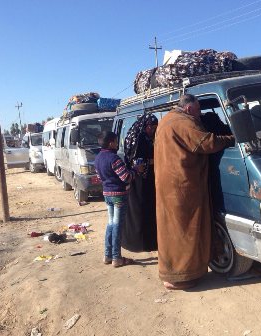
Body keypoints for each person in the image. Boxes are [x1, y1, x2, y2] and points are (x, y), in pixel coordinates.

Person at [154, 94, 235, 290]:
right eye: (198, 110)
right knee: (184, 231)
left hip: (170, 185)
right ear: (189, 109)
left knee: (173, 230)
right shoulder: (183, 122)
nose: (200, 115)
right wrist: (231, 138)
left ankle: (174, 273)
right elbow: (205, 143)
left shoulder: (167, 119)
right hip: (182, 186)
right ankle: (180, 277)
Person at [94, 131, 142, 267]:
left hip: (107, 194)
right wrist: (136, 170)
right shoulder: (114, 158)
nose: (117, 144)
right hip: (119, 196)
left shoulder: (98, 158)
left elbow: (99, 178)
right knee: (117, 226)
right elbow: (126, 177)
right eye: (116, 141)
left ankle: (107, 255)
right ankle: (117, 258)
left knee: (110, 224)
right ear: (111, 143)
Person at [123, 114, 159, 252]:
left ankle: (151, 242)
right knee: (139, 211)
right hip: (139, 181)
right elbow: (136, 162)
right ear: (146, 126)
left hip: (149, 180)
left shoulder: (148, 138)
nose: (154, 130)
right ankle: (138, 244)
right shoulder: (137, 139)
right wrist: (153, 161)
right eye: (153, 127)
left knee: (150, 210)